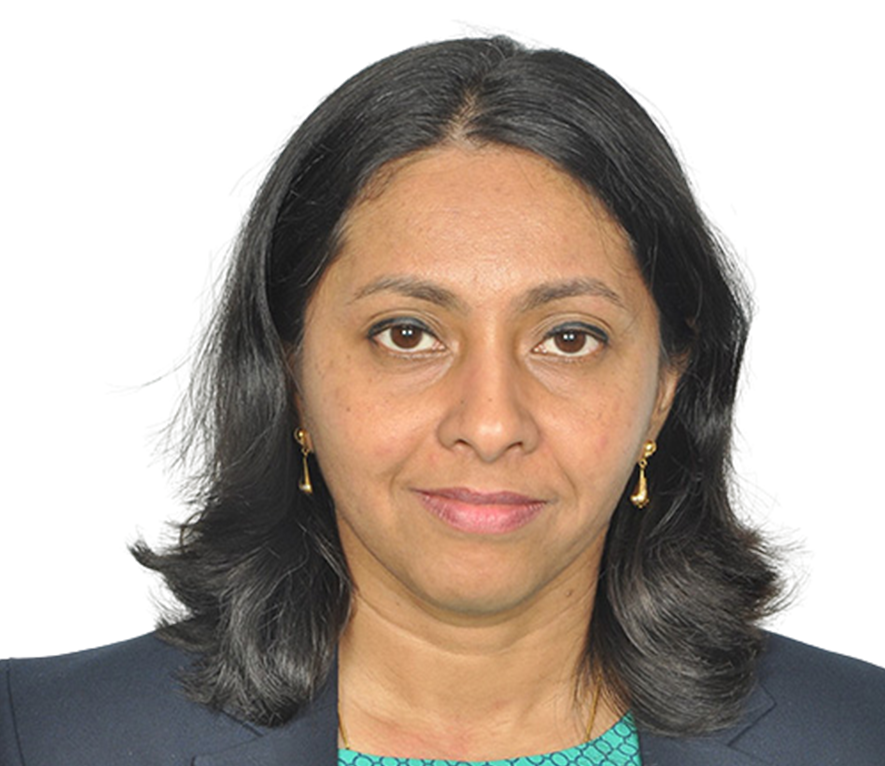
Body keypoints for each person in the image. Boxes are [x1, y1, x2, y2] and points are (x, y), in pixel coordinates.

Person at [2, 38, 884, 766]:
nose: (490, 425)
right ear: (292, 374)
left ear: (663, 389)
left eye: (567, 338)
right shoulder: (44, 740)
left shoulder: (857, 738)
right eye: (407, 333)